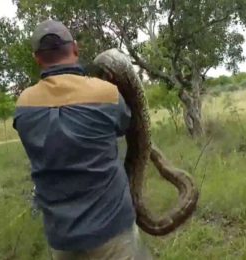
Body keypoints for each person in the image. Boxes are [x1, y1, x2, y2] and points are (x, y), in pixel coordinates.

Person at [13, 19, 151, 260]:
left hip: (62, 239)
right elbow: (126, 125)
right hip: (113, 232)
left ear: (37, 58)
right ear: (75, 49)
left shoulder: (24, 104)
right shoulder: (106, 94)